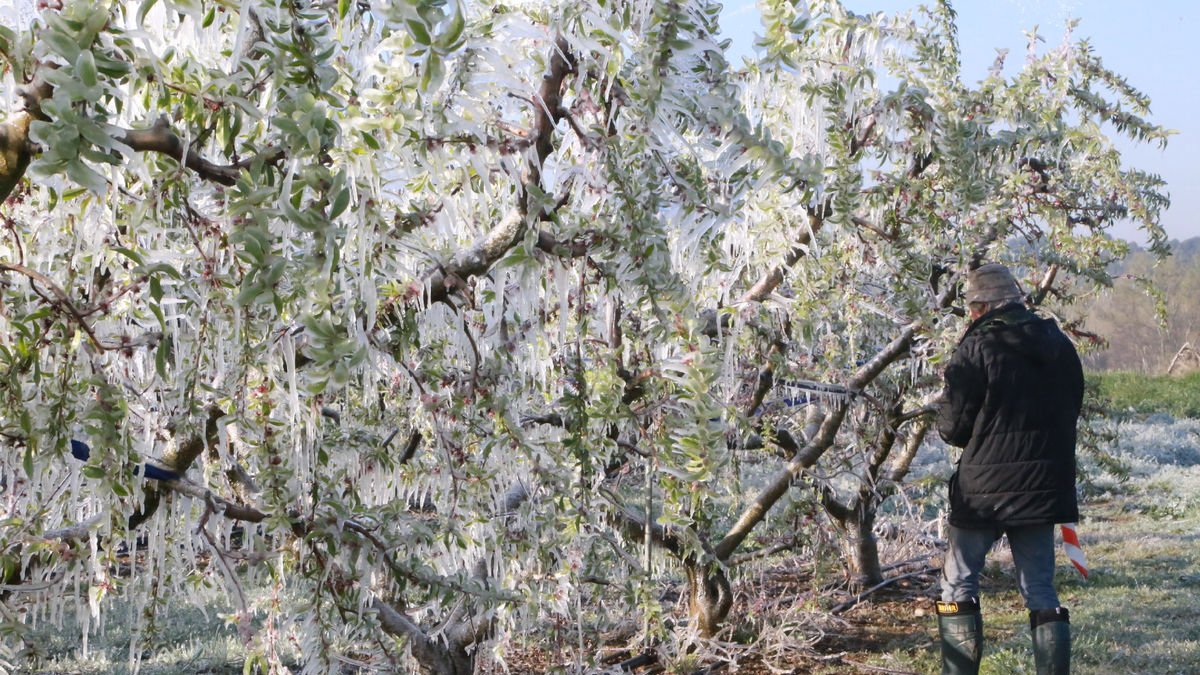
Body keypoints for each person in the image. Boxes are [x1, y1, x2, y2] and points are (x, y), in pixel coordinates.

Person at [934, 263, 1083, 675]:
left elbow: (953, 427)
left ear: (981, 307)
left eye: (972, 309)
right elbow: (1071, 409)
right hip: (1042, 488)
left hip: (984, 489)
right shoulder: (1061, 345)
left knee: (959, 581)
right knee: (1040, 588)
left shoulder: (977, 345)